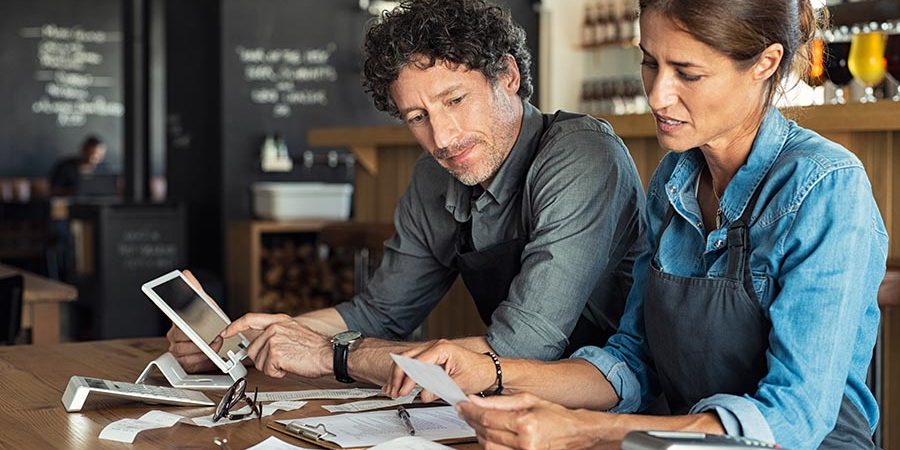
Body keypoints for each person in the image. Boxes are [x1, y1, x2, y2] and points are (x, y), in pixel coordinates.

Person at [387, 1, 887, 449]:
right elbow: (631, 361)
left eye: (687, 73)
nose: (658, 96)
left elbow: (795, 418)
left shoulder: (824, 186)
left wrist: (586, 430)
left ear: (765, 63)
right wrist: (490, 372)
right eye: (650, 63)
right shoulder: (675, 178)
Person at [167, 0, 646, 386]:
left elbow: (522, 348)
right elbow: (379, 313)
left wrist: (333, 355)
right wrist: (246, 341)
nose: (442, 137)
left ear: (508, 76)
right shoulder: (435, 176)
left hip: (619, 407)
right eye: (418, 117)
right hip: (515, 407)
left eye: (455, 100)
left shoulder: (581, 155)